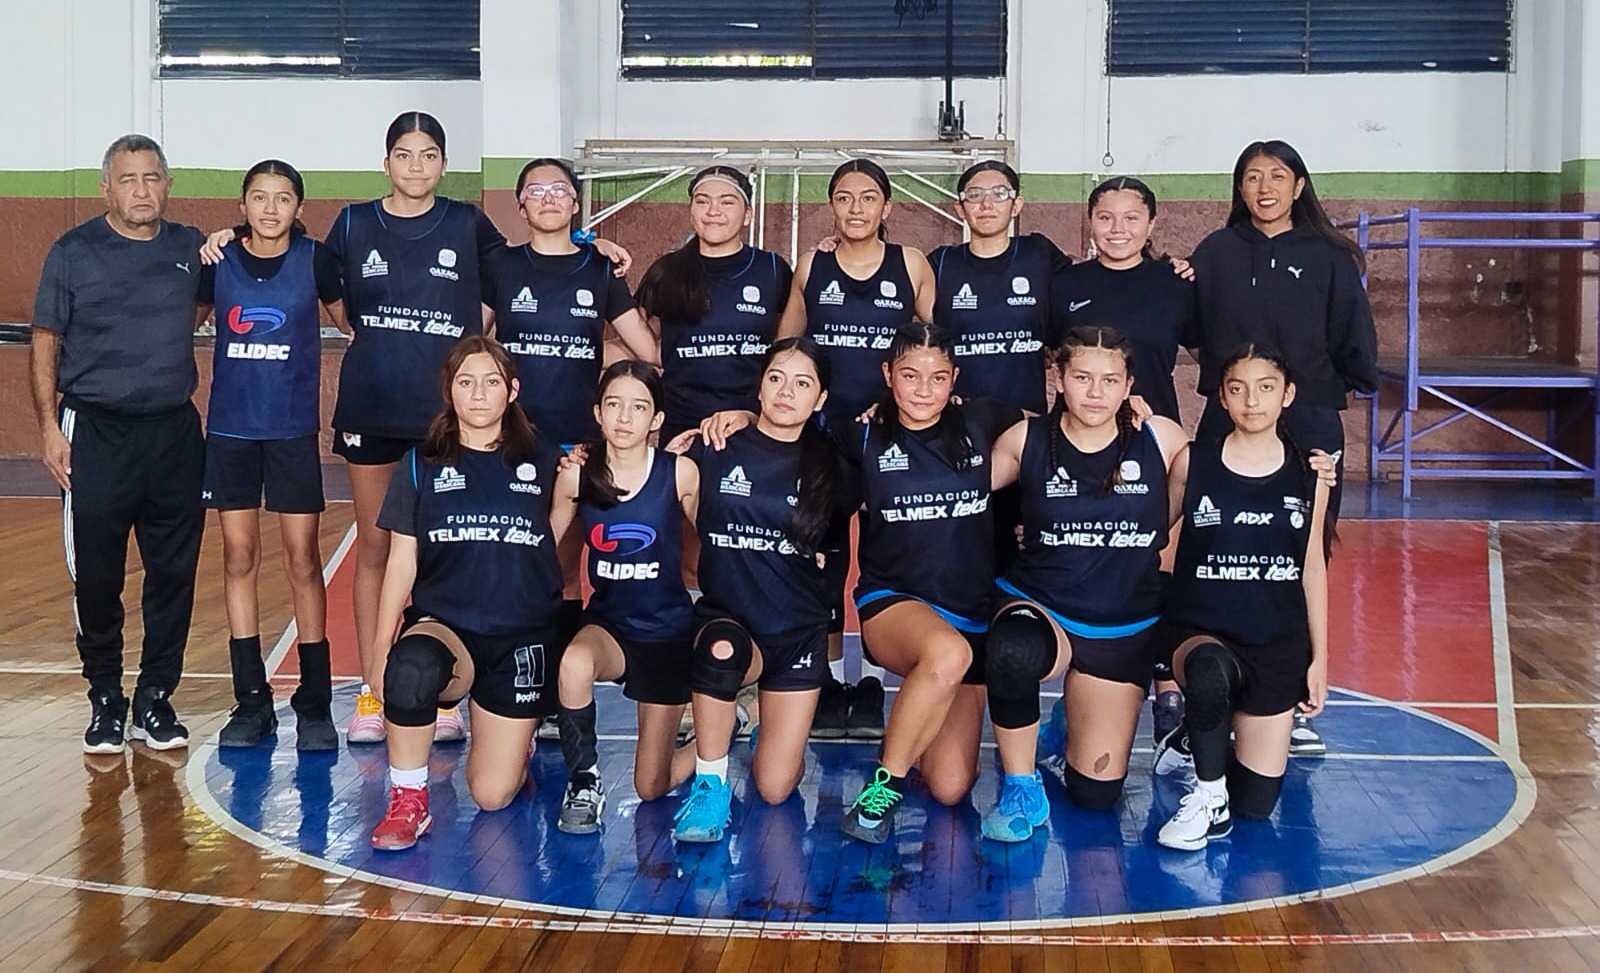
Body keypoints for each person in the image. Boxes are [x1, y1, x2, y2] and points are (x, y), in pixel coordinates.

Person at [1188, 139, 1375, 755]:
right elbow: (1190, 327)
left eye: (1277, 176)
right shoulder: (1215, 252)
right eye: (1251, 177)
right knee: (1217, 550)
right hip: (1228, 421)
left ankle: (1290, 695)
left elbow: (1354, 340)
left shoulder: (1330, 256)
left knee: (1299, 552)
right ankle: (1210, 691)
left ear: (1299, 186)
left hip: (1309, 418)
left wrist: (1313, 393)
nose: (1264, 188)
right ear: (1238, 188)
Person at [31, 134, 207, 753]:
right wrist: (49, 427)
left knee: (173, 575)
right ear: (106, 188)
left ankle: (155, 697)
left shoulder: (190, 247)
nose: (141, 190)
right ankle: (105, 696)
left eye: (152, 178)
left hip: (174, 435)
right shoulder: (73, 252)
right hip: (94, 432)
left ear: (168, 185)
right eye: (128, 179)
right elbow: (46, 340)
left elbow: (206, 305)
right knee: (98, 576)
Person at [981, 326, 1187, 840]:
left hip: (1123, 625)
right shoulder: (1025, 439)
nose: (1095, 392)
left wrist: (1311, 472)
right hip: (1043, 605)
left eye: (1110, 380)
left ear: (1129, 385)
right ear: (1059, 378)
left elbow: (1222, 477)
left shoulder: (1161, 438)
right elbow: (954, 488)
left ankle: (1066, 724)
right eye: (1082, 378)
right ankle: (1021, 785)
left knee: (1095, 795)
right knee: (1012, 651)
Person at [367, 336, 565, 851]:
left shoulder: (548, 460)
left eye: (492, 382)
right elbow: (401, 561)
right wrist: (380, 648)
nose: (478, 394)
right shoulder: (420, 463)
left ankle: (516, 744)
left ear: (512, 391)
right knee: (410, 671)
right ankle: (409, 799)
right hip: (447, 627)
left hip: (519, 635)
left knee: (493, 794)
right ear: (449, 391)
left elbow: (555, 532)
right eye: (466, 382)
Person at [838, 322, 1022, 843]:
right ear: (887, 374)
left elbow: (1061, 429)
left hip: (969, 613)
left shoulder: (983, 420)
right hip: (892, 601)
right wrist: (740, 415)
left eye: (938, 377)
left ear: (954, 378)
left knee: (950, 786)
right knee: (946, 653)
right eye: (910, 375)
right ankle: (883, 788)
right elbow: (789, 438)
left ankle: (914, 719)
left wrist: (1130, 408)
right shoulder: (861, 435)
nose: (923, 389)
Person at [775, 158, 937, 740]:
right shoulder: (812, 264)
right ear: (832, 206)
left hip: (889, 437)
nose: (856, 208)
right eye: (844, 197)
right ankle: (823, 679)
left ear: (886, 206)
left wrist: (909, 404)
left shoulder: (911, 264)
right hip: (823, 438)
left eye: (868, 197)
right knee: (823, 557)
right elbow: (788, 345)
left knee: (882, 556)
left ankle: (867, 679)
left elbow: (935, 344)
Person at [1154, 345, 1330, 851]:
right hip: (1201, 632)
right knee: (1209, 672)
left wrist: (1320, 658)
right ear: (1223, 398)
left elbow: (1312, 566)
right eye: (1238, 389)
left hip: (1275, 644)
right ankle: (1208, 796)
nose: (1252, 401)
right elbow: (1147, 532)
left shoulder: (1311, 474)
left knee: (1255, 804)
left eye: (1265, 388)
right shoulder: (1194, 462)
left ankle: (1194, 738)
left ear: (1287, 395)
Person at [669, 337, 841, 842]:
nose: (787, 392)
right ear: (759, 388)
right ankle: (711, 782)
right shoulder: (714, 446)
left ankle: (738, 719)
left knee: (774, 787)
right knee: (721, 652)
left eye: (802, 383)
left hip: (797, 634)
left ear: (820, 399)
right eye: (776, 378)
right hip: (731, 621)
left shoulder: (833, 464)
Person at [485, 157, 657, 652]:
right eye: (535, 192)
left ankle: (560, 672)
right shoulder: (502, 265)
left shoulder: (599, 268)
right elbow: (473, 345)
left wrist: (599, 354)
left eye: (559, 190)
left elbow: (646, 352)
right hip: (511, 440)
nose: (548, 199)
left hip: (576, 442)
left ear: (576, 204)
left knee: (562, 563)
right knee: (509, 555)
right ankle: (511, 663)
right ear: (521, 207)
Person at [201, 160, 345, 750]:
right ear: (242, 205)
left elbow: (358, 326)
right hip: (231, 432)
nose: (269, 208)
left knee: (303, 560)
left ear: (298, 208)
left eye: (283, 198)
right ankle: (251, 701)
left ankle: (315, 703)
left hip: (290, 432)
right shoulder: (217, 261)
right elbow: (174, 325)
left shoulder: (316, 261)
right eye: (259, 197)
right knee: (238, 556)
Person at [546, 362, 698, 835]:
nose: (625, 417)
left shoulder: (680, 473)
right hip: (610, 627)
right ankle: (584, 780)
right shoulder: (576, 477)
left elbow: (722, 542)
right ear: (598, 412)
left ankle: (722, 728)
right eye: (614, 405)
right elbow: (539, 551)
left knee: (651, 786)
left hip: (667, 633)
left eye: (638, 407)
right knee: (574, 662)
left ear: (656, 419)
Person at [636, 165, 792, 445]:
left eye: (726, 202)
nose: (713, 211)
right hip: (684, 428)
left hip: (754, 422)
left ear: (747, 215)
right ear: (691, 211)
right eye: (702, 201)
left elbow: (788, 343)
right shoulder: (667, 270)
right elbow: (637, 338)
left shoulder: (772, 269)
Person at [929, 160, 1071, 415]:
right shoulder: (941, 263)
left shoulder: (1038, 253)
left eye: (999, 194)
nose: (986, 204)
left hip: (1026, 418)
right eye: (974, 195)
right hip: (958, 418)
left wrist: (1055, 340)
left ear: (1016, 205)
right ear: (960, 208)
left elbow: (1081, 295)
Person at [1054, 176, 1199, 424]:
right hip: (1076, 432)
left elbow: (1210, 355)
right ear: (1091, 221)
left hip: (1154, 426)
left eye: (1131, 218)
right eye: (1105, 218)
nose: (1117, 229)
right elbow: (1047, 352)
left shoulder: (1177, 283)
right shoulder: (1064, 284)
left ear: (1151, 224)